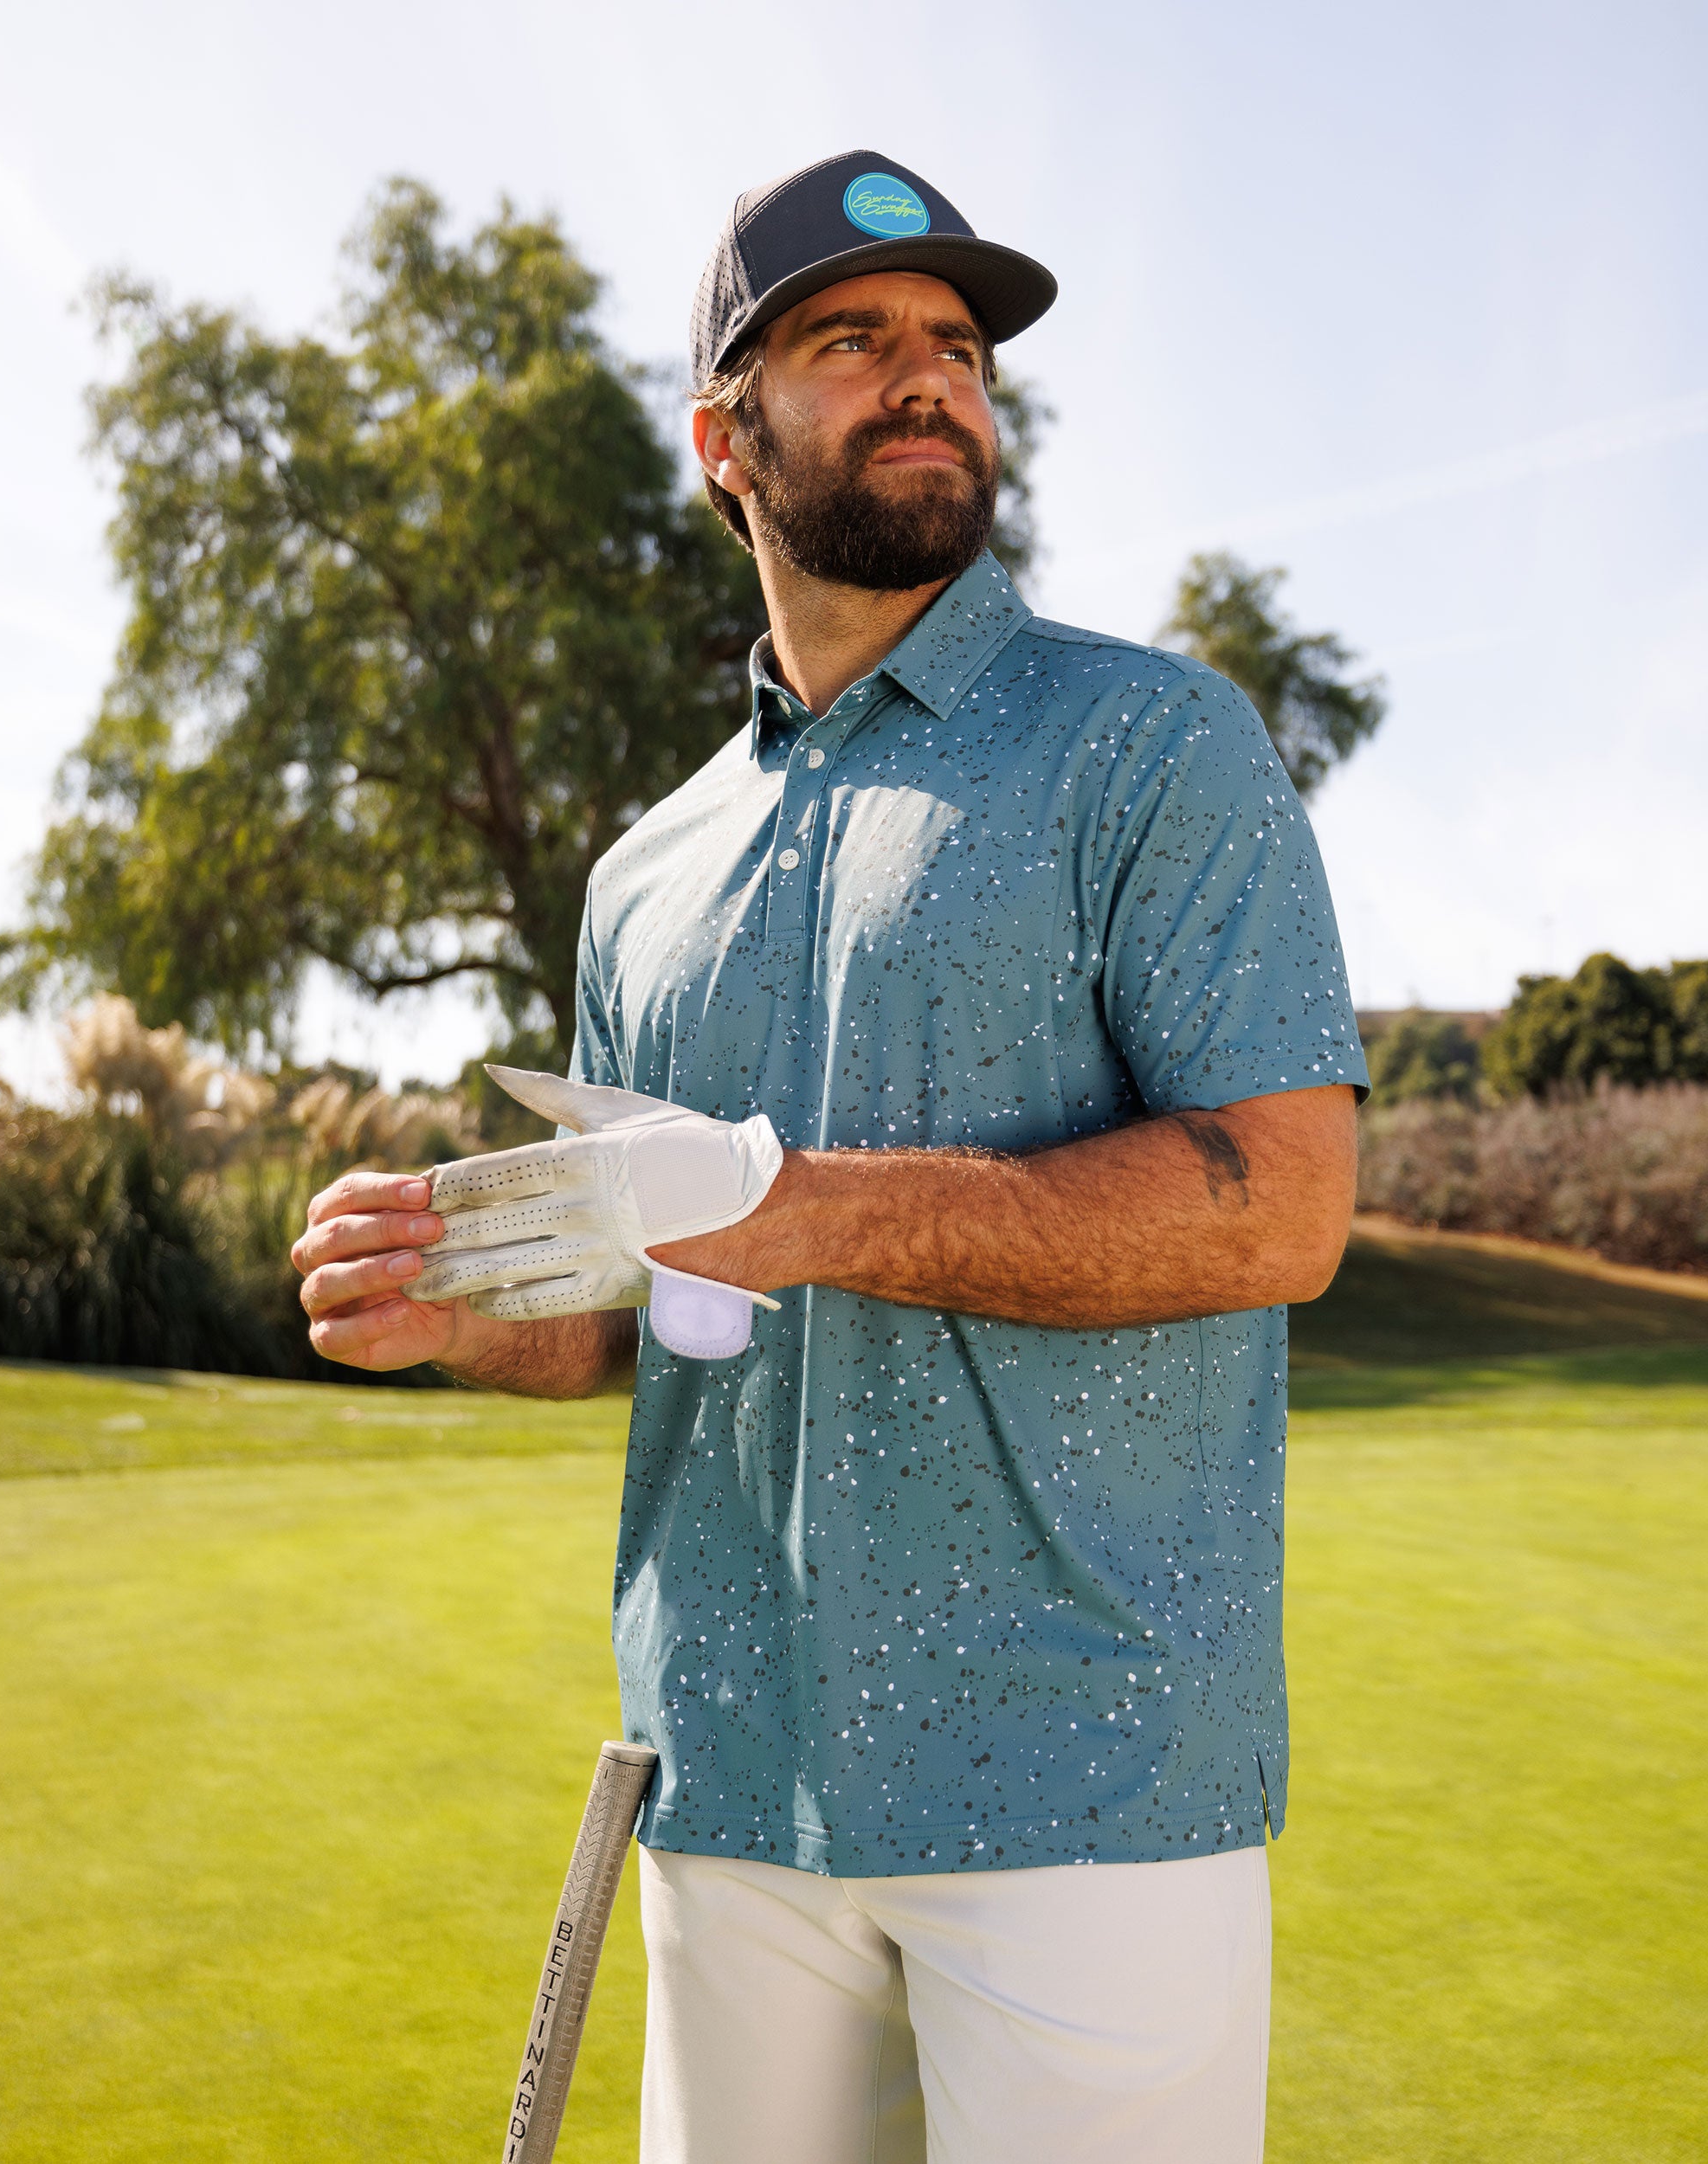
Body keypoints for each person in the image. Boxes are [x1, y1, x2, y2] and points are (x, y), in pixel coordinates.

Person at [292, 151, 1369, 2164]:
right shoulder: (642, 875)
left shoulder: (1156, 745)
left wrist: (794, 1209)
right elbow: (626, 1314)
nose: (925, 374)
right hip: (727, 1778)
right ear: (725, 440)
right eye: (850, 339)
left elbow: (1285, 1205)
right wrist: (460, 1306)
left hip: (1084, 1786)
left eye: (954, 345)